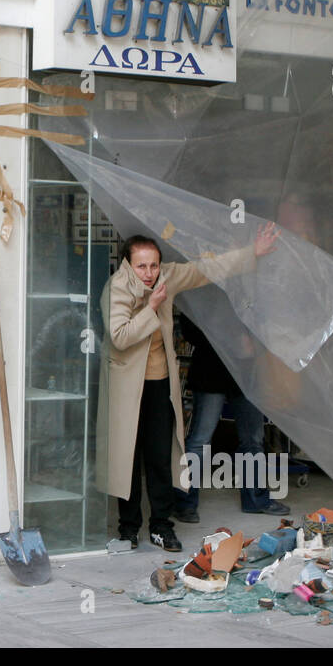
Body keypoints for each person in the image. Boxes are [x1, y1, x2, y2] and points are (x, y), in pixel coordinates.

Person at [98, 223, 279, 552]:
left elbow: (204, 269)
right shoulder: (116, 289)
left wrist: (252, 252)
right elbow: (120, 336)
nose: (150, 272)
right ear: (128, 264)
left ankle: (162, 526)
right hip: (126, 390)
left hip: (159, 385)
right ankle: (128, 529)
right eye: (142, 265)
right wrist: (151, 306)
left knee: (160, 457)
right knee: (126, 460)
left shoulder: (165, 277)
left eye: (154, 264)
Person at [173, 317, 291, 523]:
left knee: (253, 439)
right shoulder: (200, 287)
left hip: (245, 373)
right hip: (211, 370)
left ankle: (255, 500)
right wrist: (234, 339)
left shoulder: (246, 288)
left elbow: (265, 323)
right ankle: (185, 503)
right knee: (200, 441)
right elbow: (189, 328)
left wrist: (250, 341)